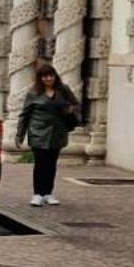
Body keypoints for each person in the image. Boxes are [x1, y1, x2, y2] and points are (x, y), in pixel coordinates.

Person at [17, 64, 81, 206]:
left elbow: (76, 104)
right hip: (38, 133)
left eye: (51, 75)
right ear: (40, 78)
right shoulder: (33, 93)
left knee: (51, 164)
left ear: (55, 76)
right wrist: (19, 135)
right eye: (45, 76)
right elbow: (24, 115)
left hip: (57, 133)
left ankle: (48, 193)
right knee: (40, 164)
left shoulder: (63, 90)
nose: (48, 79)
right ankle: (37, 194)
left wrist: (70, 109)